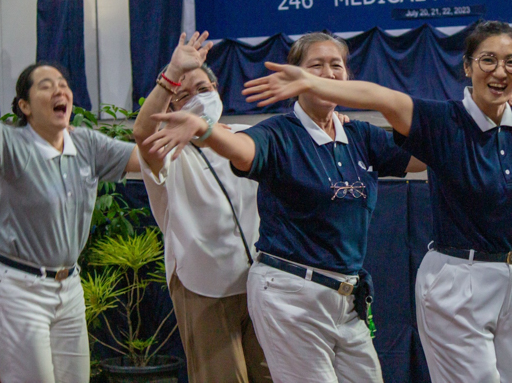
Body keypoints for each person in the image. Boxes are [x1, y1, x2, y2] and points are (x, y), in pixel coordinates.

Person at [241, 21, 512, 383]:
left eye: (511, 62)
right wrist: (312, 87)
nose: (500, 71)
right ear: (467, 67)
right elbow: (380, 97)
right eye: (488, 60)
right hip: (457, 276)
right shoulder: (442, 120)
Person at [143, 32, 425, 383]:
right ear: (294, 77)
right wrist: (204, 130)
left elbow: (421, 159)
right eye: (315, 65)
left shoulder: (360, 136)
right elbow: (242, 150)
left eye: (336, 65)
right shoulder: (278, 133)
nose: (327, 73)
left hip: (346, 297)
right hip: (288, 292)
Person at [0, 62, 139, 382]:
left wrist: (173, 92)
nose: (59, 89)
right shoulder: (16, 143)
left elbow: (147, 157)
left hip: (68, 286)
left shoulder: (87, 144)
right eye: (46, 85)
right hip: (17, 285)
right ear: (24, 106)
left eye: (63, 83)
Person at [133, 32, 272, 382]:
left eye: (203, 89)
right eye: (183, 96)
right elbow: (142, 132)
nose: (197, 99)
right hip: (204, 285)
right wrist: (171, 75)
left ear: (218, 90)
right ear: (174, 109)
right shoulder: (168, 149)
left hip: (259, 282)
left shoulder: (246, 137)